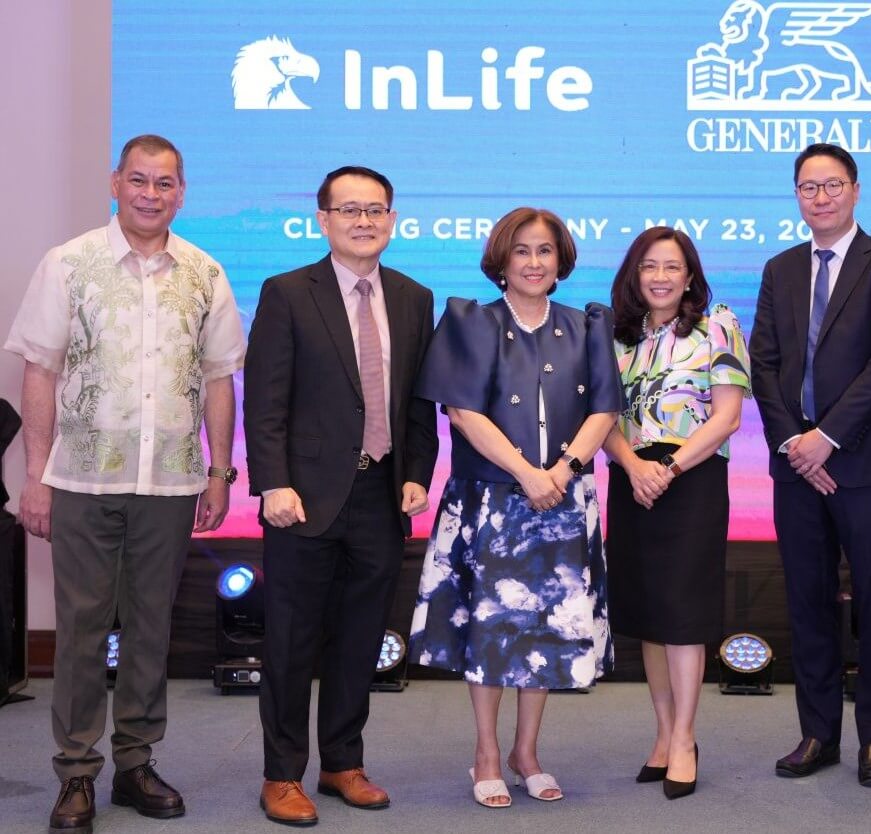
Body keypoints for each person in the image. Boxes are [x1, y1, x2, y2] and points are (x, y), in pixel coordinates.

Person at [4, 134, 245, 833]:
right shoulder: (69, 264)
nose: (150, 194)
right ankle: (76, 773)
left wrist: (220, 470)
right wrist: (38, 476)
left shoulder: (205, 273)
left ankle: (136, 763)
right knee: (82, 630)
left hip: (170, 484)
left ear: (181, 192)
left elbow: (220, 377)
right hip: (80, 479)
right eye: (138, 180)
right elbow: (40, 371)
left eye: (164, 183)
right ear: (115, 183)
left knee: (149, 630)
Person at [243, 166, 438, 825]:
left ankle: (342, 764)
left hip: (380, 495)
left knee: (360, 639)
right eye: (349, 210)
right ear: (322, 219)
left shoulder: (414, 297)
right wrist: (272, 482)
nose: (364, 221)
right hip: (302, 497)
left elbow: (417, 400)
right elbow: (264, 402)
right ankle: (280, 774)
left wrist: (417, 471)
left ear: (392, 219)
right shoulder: (288, 293)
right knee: (294, 640)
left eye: (376, 210)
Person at [408, 207, 620, 808]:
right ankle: (486, 753)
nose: (534, 262)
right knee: (494, 630)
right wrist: (528, 473)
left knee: (545, 630)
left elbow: (604, 410)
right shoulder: (471, 322)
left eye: (545, 251)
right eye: (522, 251)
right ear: (502, 259)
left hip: (564, 500)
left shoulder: (588, 324)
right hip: (492, 503)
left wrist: (562, 471)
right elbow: (463, 412)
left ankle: (528, 752)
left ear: (561, 261)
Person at [749, 143, 871, 788]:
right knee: (808, 601)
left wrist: (829, 438)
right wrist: (796, 443)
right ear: (796, 195)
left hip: (867, 462)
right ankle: (818, 732)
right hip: (796, 466)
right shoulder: (781, 267)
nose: (819, 197)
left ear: (854, 190)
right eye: (807, 187)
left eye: (832, 185)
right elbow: (762, 364)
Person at [603, 227, 750, 800]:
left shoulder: (719, 326)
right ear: (634, 276)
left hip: (690, 479)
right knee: (649, 615)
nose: (660, 277)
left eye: (672, 267)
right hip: (631, 479)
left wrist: (667, 469)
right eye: (648, 267)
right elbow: (603, 418)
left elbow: (727, 418)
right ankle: (662, 736)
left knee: (683, 616)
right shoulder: (618, 337)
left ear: (690, 275)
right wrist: (635, 468)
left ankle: (686, 738)